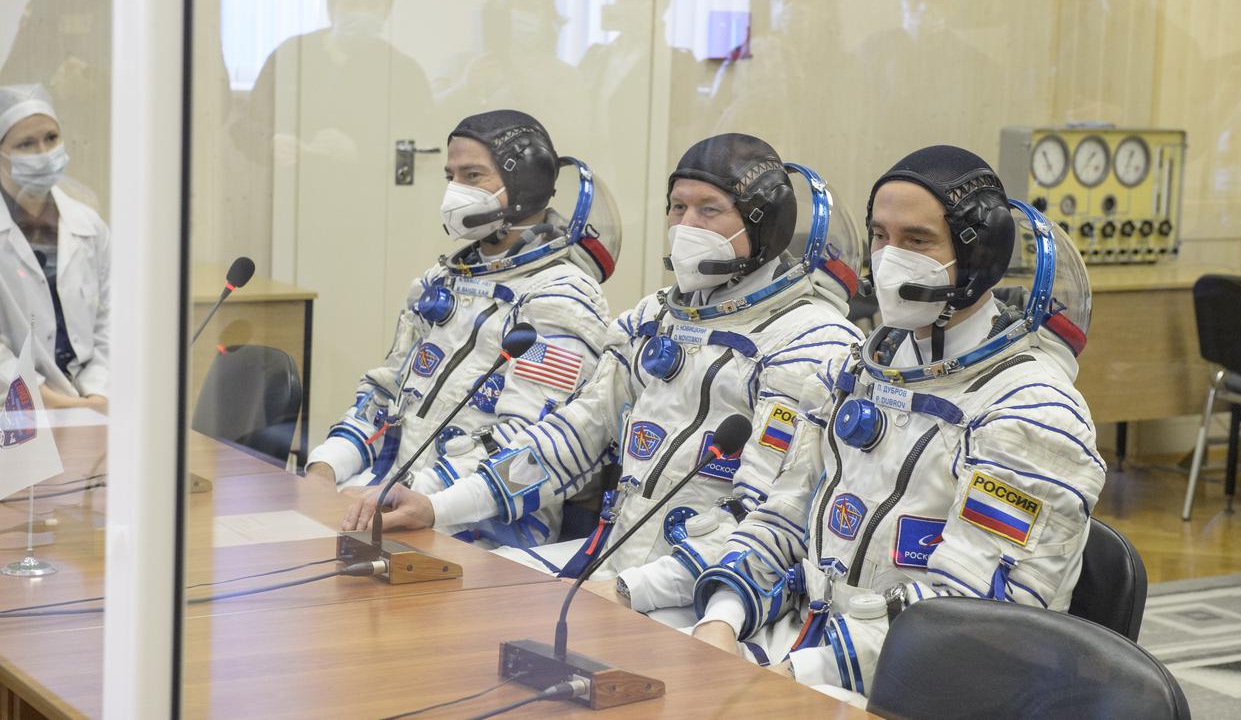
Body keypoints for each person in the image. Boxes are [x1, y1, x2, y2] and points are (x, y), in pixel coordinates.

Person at [344, 134, 865, 615]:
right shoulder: (652, 318)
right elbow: (573, 435)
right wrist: (438, 506)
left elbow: (762, 514)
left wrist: (629, 590)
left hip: (709, 597)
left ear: (761, 226)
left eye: (710, 211)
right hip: (608, 563)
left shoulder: (811, 341)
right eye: (678, 208)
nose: (686, 227)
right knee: (438, 602)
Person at [687, 146, 1102, 703]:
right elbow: (782, 515)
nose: (889, 259)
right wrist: (722, 617)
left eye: (918, 241)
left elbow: (970, 623)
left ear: (977, 257)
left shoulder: (1032, 415)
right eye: (880, 236)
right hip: (798, 653)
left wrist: (793, 675)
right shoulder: (849, 374)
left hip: (930, 691)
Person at [307, 110, 619, 542]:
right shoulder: (438, 283)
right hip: (387, 494)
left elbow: (526, 442)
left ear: (523, 186)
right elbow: (385, 396)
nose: (456, 191)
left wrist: (417, 494)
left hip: (486, 523)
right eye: (451, 176)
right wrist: (325, 468)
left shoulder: (561, 297)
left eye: (473, 175)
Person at [0, 83, 109, 411]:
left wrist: (98, 394)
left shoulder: (88, 226)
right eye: (26, 144)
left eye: (51, 138)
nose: (43, 153)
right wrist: (54, 402)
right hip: (14, 413)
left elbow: (111, 322)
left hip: (93, 404)